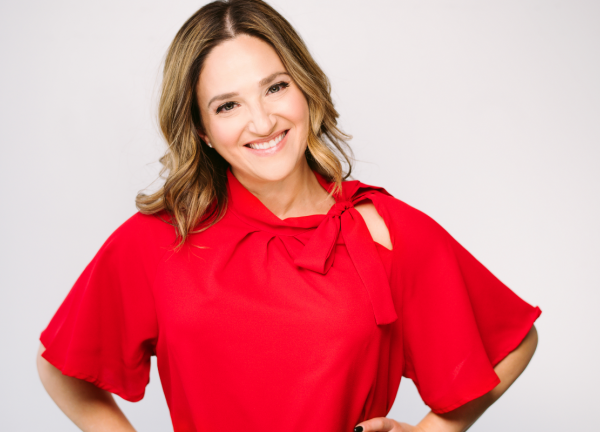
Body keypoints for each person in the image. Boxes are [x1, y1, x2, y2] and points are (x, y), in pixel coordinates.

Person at [36, 1, 542, 431]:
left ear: (305, 89)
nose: (262, 121)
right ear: (203, 131)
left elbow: (511, 340)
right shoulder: (160, 239)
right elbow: (61, 368)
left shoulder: (382, 229)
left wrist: (437, 429)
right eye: (227, 105)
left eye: (275, 88)